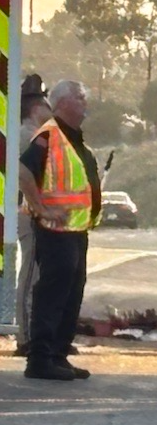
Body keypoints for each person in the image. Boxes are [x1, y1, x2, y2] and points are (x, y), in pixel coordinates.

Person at [18, 80, 99, 381]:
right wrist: (42, 209)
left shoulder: (73, 139)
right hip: (54, 231)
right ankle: (40, 360)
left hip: (76, 231)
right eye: (79, 96)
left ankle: (58, 355)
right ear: (62, 102)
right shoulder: (49, 136)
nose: (85, 101)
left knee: (71, 293)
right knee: (52, 294)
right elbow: (23, 171)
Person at [15, 74, 53, 356]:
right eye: (45, 104)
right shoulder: (27, 136)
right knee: (30, 275)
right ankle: (25, 337)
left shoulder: (31, 134)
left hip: (33, 210)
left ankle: (32, 335)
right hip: (28, 211)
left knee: (35, 275)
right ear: (35, 107)